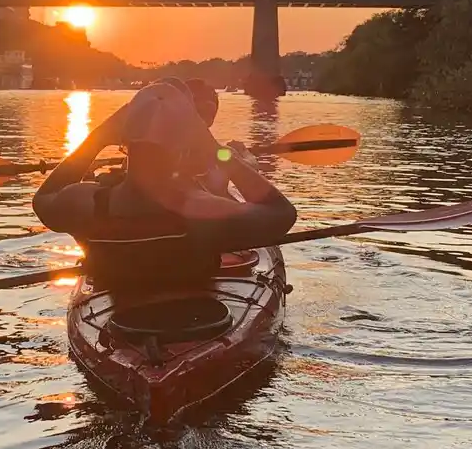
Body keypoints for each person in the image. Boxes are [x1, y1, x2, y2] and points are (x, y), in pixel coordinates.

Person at [32, 82, 296, 295]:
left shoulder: (84, 202)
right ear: (187, 143)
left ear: (124, 139)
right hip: (197, 319)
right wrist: (218, 152)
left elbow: (44, 197)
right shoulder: (205, 210)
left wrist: (96, 139)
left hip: (120, 324)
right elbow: (281, 213)